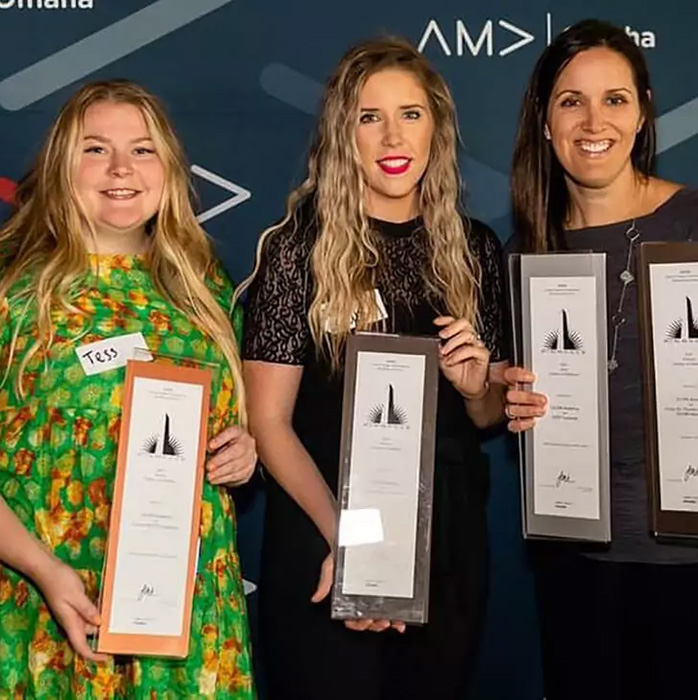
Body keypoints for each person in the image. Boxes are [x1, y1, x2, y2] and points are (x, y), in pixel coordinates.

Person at [240, 37, 509, 700]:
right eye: (370, 116)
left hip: (446, 542)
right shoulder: (298, 246)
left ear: (437, 130)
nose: (393, 134)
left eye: (411, 114)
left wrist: (479, 390)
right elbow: (268, 423)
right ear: (344, 134)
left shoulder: (475, 248)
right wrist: (353, 542)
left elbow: (487, 414)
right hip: (325, 535)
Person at [0, 80, 256, 698]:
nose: (121, 169)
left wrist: (242, 453)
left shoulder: (206, 295)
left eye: (142, 150)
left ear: (167, 167)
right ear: (63, 165)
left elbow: (233, 427)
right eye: (95, 150)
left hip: (185, 615)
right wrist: (46, 571)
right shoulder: (15, 299)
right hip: (47, 601)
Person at [505, 19, 698, 700]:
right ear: (545, 117)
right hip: (574, 553)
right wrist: (506, 391)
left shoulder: (693, 223)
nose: (594, 121)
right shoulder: (530, 247)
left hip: (687, 556)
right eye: (571, 101)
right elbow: (492, 397)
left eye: (615, 99)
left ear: (644, 111)